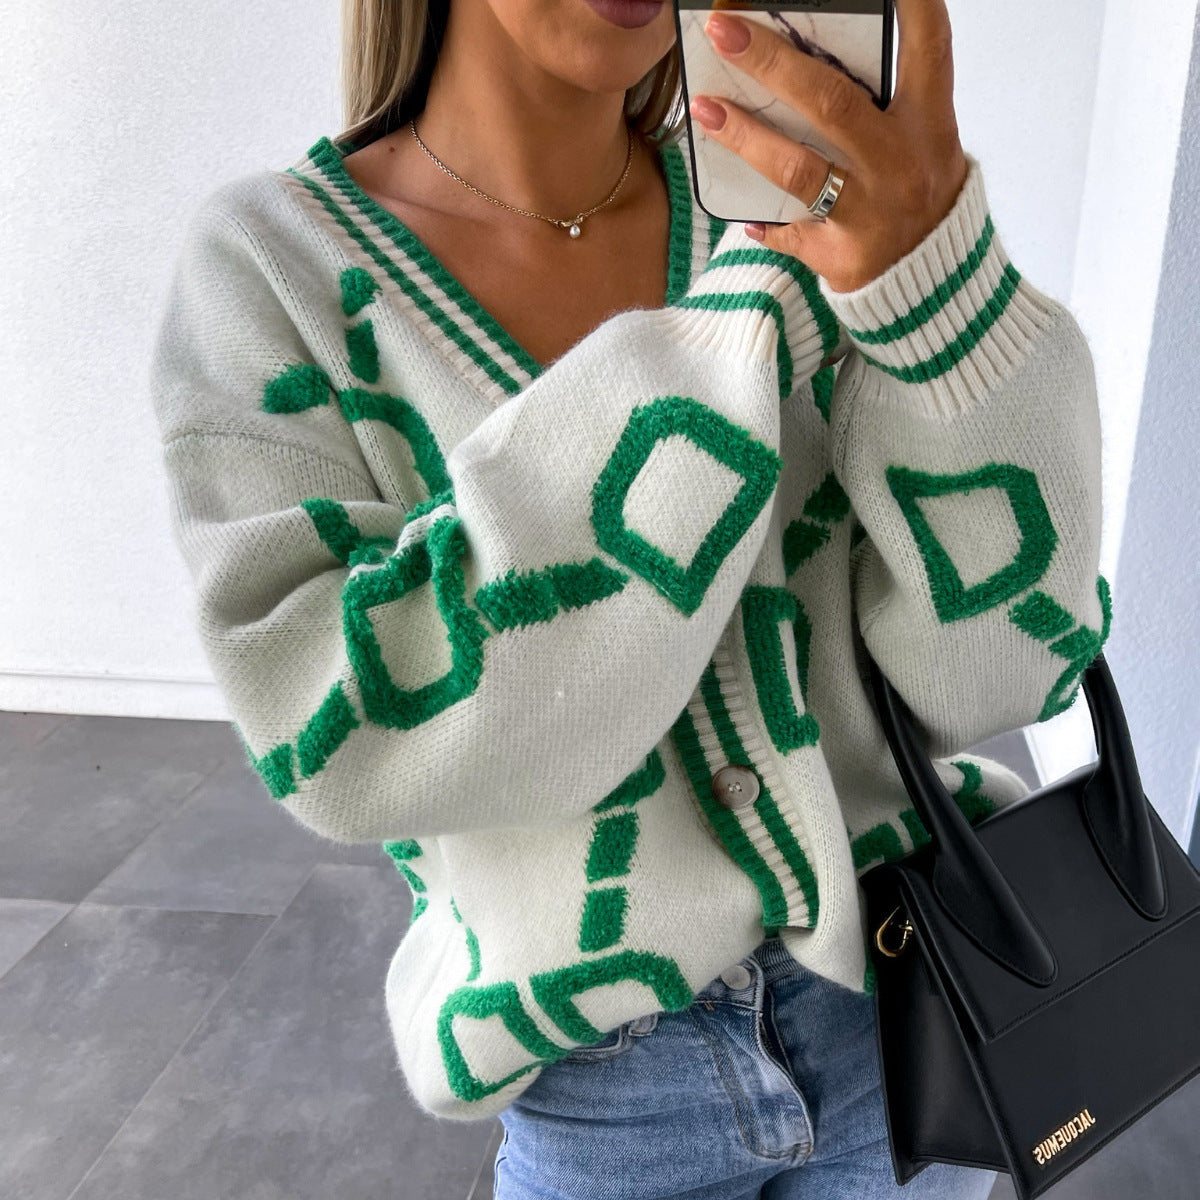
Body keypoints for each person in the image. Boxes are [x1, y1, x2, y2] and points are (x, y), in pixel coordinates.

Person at [148, 0, 1109, 1195]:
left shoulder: (806, 200)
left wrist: (938, 290)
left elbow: (1004, 668)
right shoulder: (271, 269)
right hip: (605, 1101)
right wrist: (737, 328)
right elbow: (338, 727)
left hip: (909, 1012)